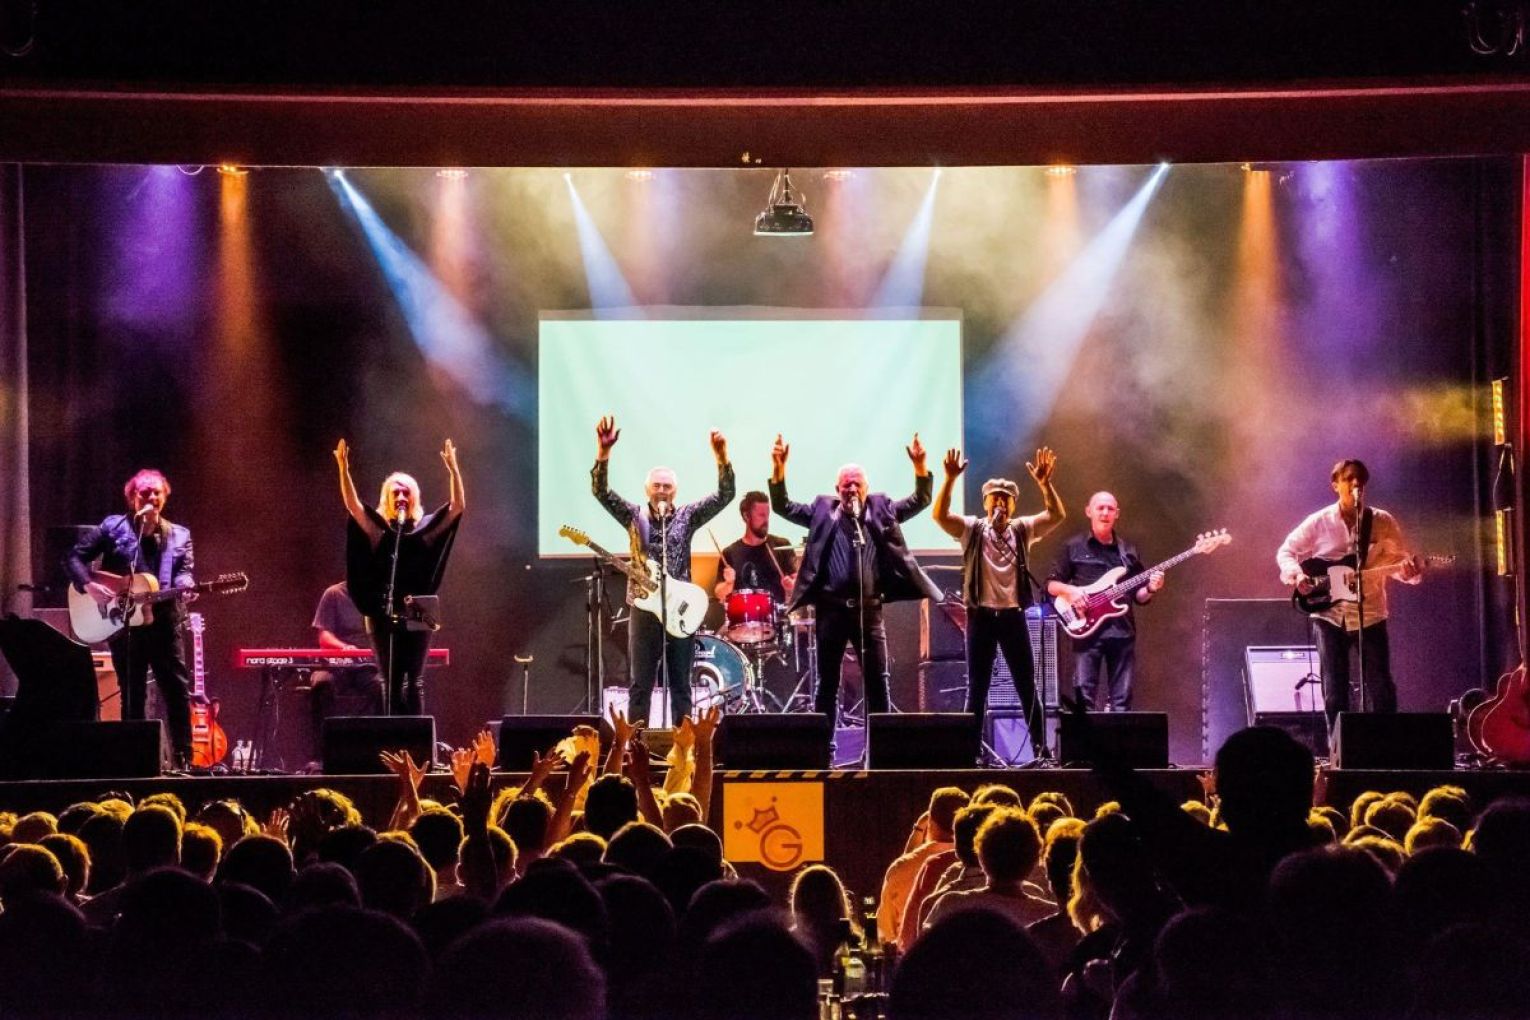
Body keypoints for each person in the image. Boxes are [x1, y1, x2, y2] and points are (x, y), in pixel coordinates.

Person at [769, 432, 940, 726]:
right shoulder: (823, 510)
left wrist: (920, 467)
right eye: (846, 484)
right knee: (826, 684)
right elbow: (783, 506)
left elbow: (920, 499)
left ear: (866, 489)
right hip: (831, 610)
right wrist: (779, 469)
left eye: (856, 483)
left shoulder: (882, 508)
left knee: (877, 682)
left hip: (869, 610)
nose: (851, 488)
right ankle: (824, 752)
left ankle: (879, 756)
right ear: (837, 489)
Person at [591, 415, 735, 726]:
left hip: (679, 608)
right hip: (643, 608)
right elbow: (602, 493)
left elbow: (724, 496)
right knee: (641, 684)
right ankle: (637, 749)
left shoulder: (687, 515)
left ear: (675, 492)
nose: (662, 491)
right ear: (647, 490)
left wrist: (721, 457)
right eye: (656, 486)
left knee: (681, 685)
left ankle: (682, 749)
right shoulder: (634, 516)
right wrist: (604, 454)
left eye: (667, 487)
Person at [932, 446, 1064, 758]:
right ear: (986, 503)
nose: (1000, 502)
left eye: (1006, 498)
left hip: (1012, 616)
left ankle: (1040, 750)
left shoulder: (1022, 530)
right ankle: (971, 751)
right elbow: (939, 516)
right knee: (977, 687)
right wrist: (950, 480)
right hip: (980, 616)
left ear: (1014, 505)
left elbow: (1057, 515)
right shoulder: (973, 529)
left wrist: (1045, 485)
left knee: (1026, 686)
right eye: (995, 498)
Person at [1277, 459, 1423, 737]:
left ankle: (1384, 747)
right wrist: (1297, 576)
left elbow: (1397, 563)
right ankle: (1338, 752)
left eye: (1361, 480)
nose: (1356, 484)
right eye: (1349, 479)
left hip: (1370, 613)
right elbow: (1286, 551)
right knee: (1334, 689)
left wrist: (1410, 572)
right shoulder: (1319, 522)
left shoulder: (1381, 522)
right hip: (1329, 614)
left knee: (1380, 686)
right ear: (1336, 485)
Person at [65, 469, 196, 770]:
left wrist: (187, 585)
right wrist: (88, 585)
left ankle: (185, 760)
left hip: (164, 623)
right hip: (124, 624)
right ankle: (134, 762)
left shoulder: (180, 535)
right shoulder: (113, 527)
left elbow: (185, 571)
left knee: (176, 691)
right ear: (132, 498)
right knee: (132, 693)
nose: (151, 497)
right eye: (144, 492)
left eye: (156, 493)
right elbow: (72, 557)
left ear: (165, 497)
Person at [334, 439, 464, 715]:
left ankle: (416, 746)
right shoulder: (379, 532)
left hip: (419, 607)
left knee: (414, 681)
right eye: (397, 494)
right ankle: (392, 743)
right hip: (383, 606)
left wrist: (453, 471)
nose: (402, 498)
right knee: (390, 682)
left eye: (407, 493)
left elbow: (457, 507)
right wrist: (343, 469)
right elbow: (354, 506)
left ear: (414, 498)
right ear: (388, 499)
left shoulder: (424, 532)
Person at [1046, 491, 1163, 712]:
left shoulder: (1127, 551)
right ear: (1088, 511)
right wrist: (1072, 592)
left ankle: (1118, 746)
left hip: (1122, 633)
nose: (1105, 512)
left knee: (1122, 702)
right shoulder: (1073, 547)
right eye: (1100, 508)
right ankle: (1086, 747)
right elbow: (1051, 585)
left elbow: (1139, 596)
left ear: (1117, 514)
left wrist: (1150, 588)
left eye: (1110, 509)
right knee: (1084, 701)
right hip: (1087, 632)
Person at [308, 581, 384, 744]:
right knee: (322, 684)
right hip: (336, 665)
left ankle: (380, 750)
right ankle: (321, 755)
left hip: (367, 667)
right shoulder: (334, 594)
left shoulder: (382, 597)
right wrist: (346, 648)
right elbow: (324, 637)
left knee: (384, 689)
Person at [713, 490, 798, 611]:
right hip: (743, 622)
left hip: (776, 620)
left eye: (768, 515)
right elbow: (719, 594)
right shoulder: (729, 553)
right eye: (761, 515)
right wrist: (728, 584)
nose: (766, 520)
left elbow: (799, 584)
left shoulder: (781, 546)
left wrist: (791, 586)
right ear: (746, 516)